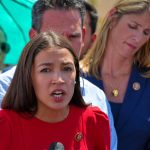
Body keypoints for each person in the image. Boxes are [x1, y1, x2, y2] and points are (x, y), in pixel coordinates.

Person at [0, 0, 117, 149]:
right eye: (52, 36)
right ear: (33, 36)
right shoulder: (4, 112)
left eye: (73, 36)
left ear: (84, 36)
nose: (58, 79)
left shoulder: (96, 106)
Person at [80, 0, 150, 149]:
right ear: (112, 17)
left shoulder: (147, 82)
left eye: (146, 32)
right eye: (133, 26)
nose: (138, 38)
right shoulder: (76, 77)